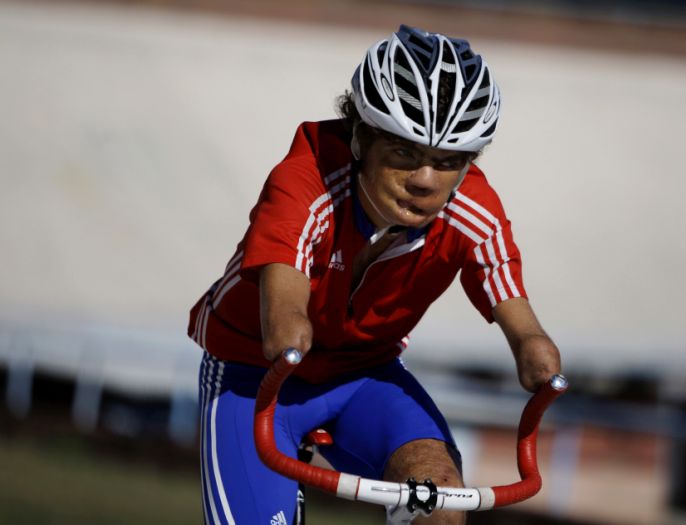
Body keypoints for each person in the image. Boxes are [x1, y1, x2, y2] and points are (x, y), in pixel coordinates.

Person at [188, 24, 561, 525]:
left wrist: (534, 349)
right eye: (405, 153)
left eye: (447, 161)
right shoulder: (307, 180)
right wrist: (288, 324)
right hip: (255, 375)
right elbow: (284, 305)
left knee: (441, 504)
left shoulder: (473, 207)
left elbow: (513, 302)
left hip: (365, 373)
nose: (425, 181)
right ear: (362, 136)